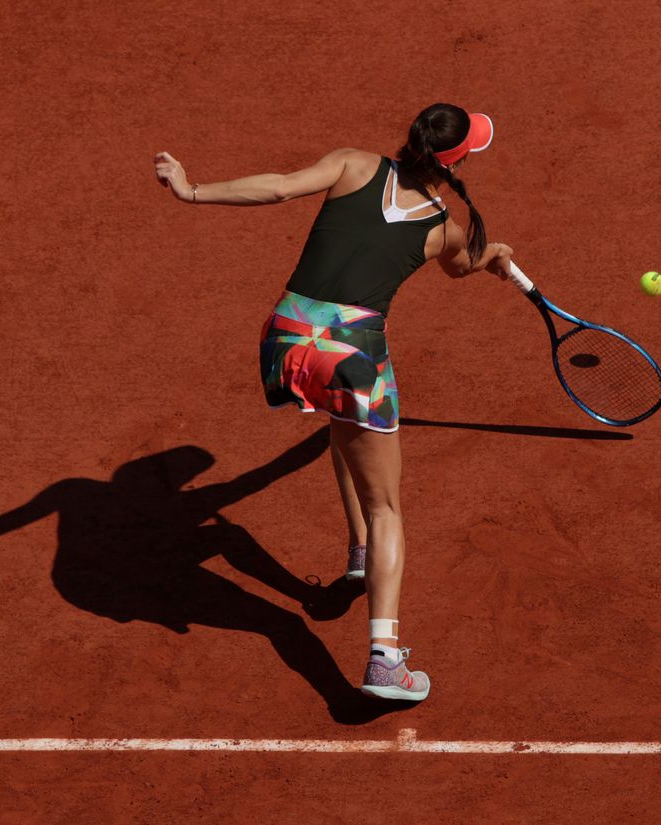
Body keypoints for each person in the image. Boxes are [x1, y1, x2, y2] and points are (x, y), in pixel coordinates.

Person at [154, 103, 513, 703]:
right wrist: (490, 257)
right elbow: (461, 267)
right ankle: (384, 660)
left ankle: (358, 557)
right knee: (388, 508)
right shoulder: (447, 227)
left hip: (286, 339)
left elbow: (278, 188)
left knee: (340, 427)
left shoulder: (354, 163)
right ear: (458, 159)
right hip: (350, 357)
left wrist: (192, 192)